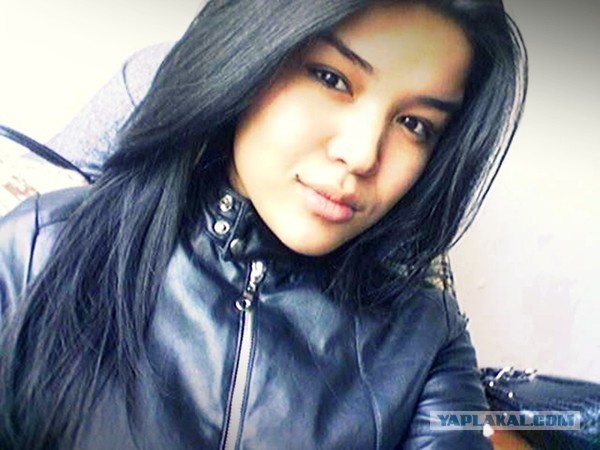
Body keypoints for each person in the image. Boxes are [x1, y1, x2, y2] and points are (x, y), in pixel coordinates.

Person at [0, 0, 527, 448]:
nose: (362, 154)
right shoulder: (38, 248)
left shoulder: (424, 340)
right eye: (332, 78)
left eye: (415, 124)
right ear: (248, 56)